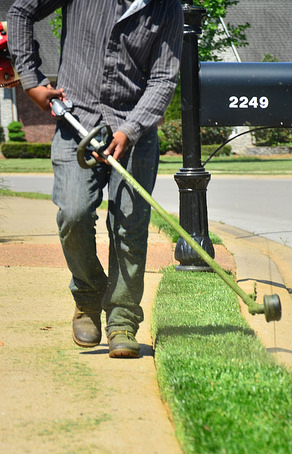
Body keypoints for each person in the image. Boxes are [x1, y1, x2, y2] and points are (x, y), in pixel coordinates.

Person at [7, 0, 183, 357]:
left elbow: (164, 78)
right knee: (73, 213)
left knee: (129, 228)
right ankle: (89, 297)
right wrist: (31, 80)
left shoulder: (168, 8)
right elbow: (21, 11)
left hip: (134, 131)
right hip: (76, 124)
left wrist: (131, 130)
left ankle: (122, 320)